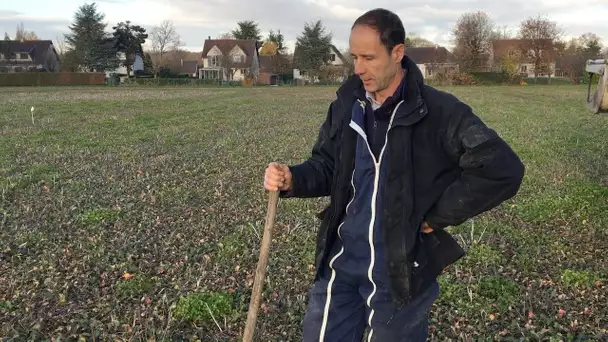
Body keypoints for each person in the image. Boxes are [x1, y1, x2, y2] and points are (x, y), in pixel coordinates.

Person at [264, 8, 525, 342]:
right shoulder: (347, 105)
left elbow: (502, 168)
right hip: (341, 262)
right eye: (355, 57)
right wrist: (293, 179)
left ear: (398, 53)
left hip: (401, 271)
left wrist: (436, 214)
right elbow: (328, 166)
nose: (358, 68)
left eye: (369, 58)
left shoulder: (440, 112)